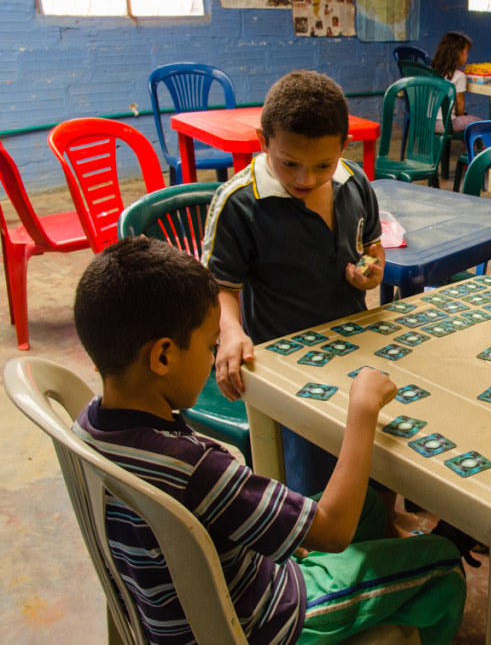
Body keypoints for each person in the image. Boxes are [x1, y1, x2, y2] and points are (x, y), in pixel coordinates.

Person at [72, 237, 467, 645]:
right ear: (163, 357)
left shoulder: (88, 425)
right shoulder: (196, 467)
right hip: (258, 622)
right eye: (211, 345)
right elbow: (332, 533)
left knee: (366, 505)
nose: (213, 358)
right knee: (440, 559)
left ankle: (381, 605)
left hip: (182, 607)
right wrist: (362, 411)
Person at [201, 71, 388, 502]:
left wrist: (372, 270)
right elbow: (220, 287)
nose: (306, 178)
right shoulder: (239, 202)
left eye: (323, 165)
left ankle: (383, 520)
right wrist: (230, 330)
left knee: (378, 449)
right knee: (312, 465)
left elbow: (373, 246)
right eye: (290, 163)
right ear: (262, 140)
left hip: (355, 342)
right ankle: (314, 544)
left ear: (343, 146)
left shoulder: (354, 181)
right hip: (286, 358)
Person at [431, 32, 482, 133]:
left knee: (464, 120)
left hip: (426, 121)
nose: (467, 56)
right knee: (479, 123)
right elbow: (460, 105)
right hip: (444, 124)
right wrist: (461, 116)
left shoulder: (432, 71)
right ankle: (479, 148)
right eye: (466, 52)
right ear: (458, 53)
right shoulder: (459, 76)